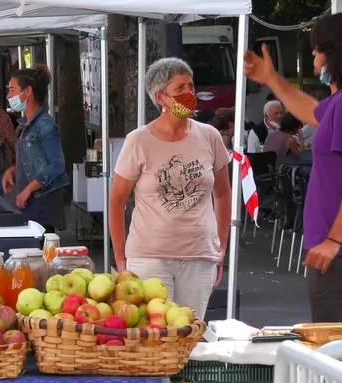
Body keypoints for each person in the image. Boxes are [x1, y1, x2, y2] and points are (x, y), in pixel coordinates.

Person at [108, 58, 232, 320]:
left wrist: (221, 247)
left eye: (191, 86)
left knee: (189, 335)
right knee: (155, 338)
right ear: (161, 98)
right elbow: (117, 200)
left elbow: (223, 193)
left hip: (199, 256)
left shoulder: (209, 136)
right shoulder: (138, 141)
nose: (189, 94)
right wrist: (121, 259)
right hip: (149, 257)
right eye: (180, 89)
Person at [246, 14, 342, 321]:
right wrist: (273, 79)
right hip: (329, 249)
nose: (313, 54)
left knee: (331, 353)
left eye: (317, 48)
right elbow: (312, 112)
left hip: (335, 252)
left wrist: (334, 239)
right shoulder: (336, 103)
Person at [2, 65, 69, 233]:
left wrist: (28, 189)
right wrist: (15, 170)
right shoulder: (26, 125)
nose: (9, 95)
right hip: (29, 203)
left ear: (27, 92)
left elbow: (57, 164)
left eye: (12, 89)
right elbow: (36, 159)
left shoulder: (45, 125)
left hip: (42, 204)